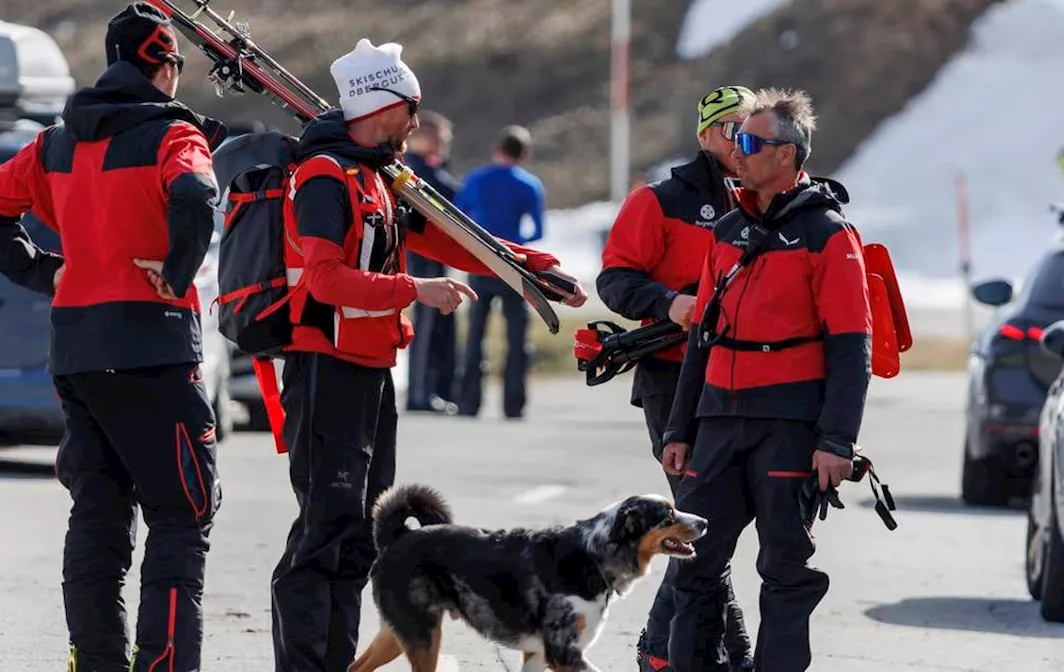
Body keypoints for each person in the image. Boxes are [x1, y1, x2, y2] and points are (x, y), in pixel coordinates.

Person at [268, 37, 587, 672]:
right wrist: (417, 287)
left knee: (359, 537)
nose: (417, 120)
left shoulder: (378, 175)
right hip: (324, 369)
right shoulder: (325, 178)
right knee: (321, 536)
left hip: (369, 370)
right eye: (412, 106)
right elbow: (326, 279)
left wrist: (528, 270)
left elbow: (452, 236)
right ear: (385, 104)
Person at [0, 3, 225, 670]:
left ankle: (96, 660)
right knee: (182, 512)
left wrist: (47, 272)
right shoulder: (174, 137)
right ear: (161, 64)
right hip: (153, 344)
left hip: (77, 347)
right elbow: (196, 196)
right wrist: (178, 269)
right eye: (177, 67)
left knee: (99, 514)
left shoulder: (55, 142)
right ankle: (165, 664)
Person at [662, 88, 871, 672]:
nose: (739, 151)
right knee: (692, 562)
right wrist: (679, 428)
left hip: (790, 426)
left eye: (751, 142)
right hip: (718, 421)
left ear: (788, 154)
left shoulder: (829, 234)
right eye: (735, 139)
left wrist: (836, 441)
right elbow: (701, 337)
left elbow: (852, 346)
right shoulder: (727, 232)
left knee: (783, 570)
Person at [597, 85, 758, 672]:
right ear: (706, 135)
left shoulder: (771, 199)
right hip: (672, 376)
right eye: (733, 128)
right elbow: (614, 280)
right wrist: (669, 303)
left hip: (748, 379)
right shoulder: (659, 201)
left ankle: (697, 652)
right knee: (702, 520)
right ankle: (675, 652)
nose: (744, 141)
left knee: (714, 521)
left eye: (753, 128)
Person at [454, 125, 547, 419]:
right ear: (525, 154)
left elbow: (458, 213)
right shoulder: (530, 185)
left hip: (481, 261)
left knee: (474, 335)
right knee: (517, 337)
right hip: (513, 264)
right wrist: (518, 242)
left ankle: (469, 403)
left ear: (498, 148)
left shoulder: (476, 178)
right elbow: (538, 230)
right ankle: (513, 405)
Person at [403, 110, 462, 414]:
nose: (445, 144)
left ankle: (432, 389)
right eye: (441, 138)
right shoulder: (418, 171)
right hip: (421, 260)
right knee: (424, 328)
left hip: (428, 258)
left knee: (436, 326)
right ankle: (419, 392)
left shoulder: (427, 168)